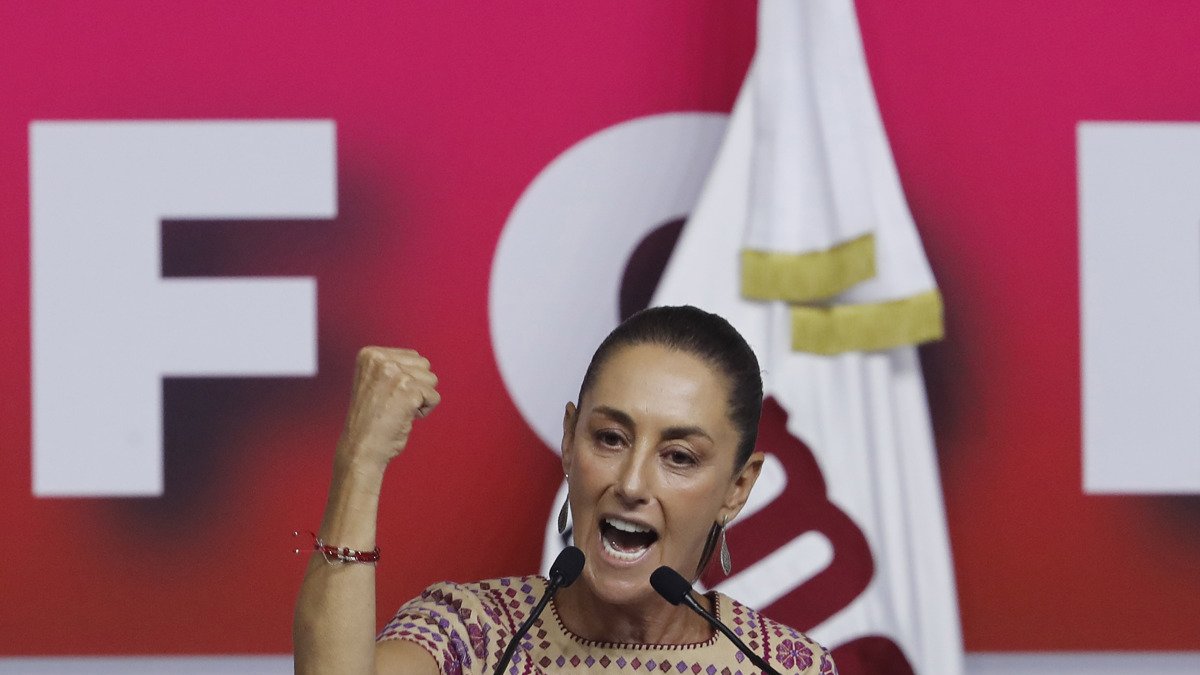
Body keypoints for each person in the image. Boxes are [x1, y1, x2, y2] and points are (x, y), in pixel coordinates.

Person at [294, 305, 837, 674]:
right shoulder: (470, 634)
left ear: (737, 488)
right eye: (609, 438)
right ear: (569, 439)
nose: (630, 483)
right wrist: (360, 461)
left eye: (678, 457)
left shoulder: (784, 666)